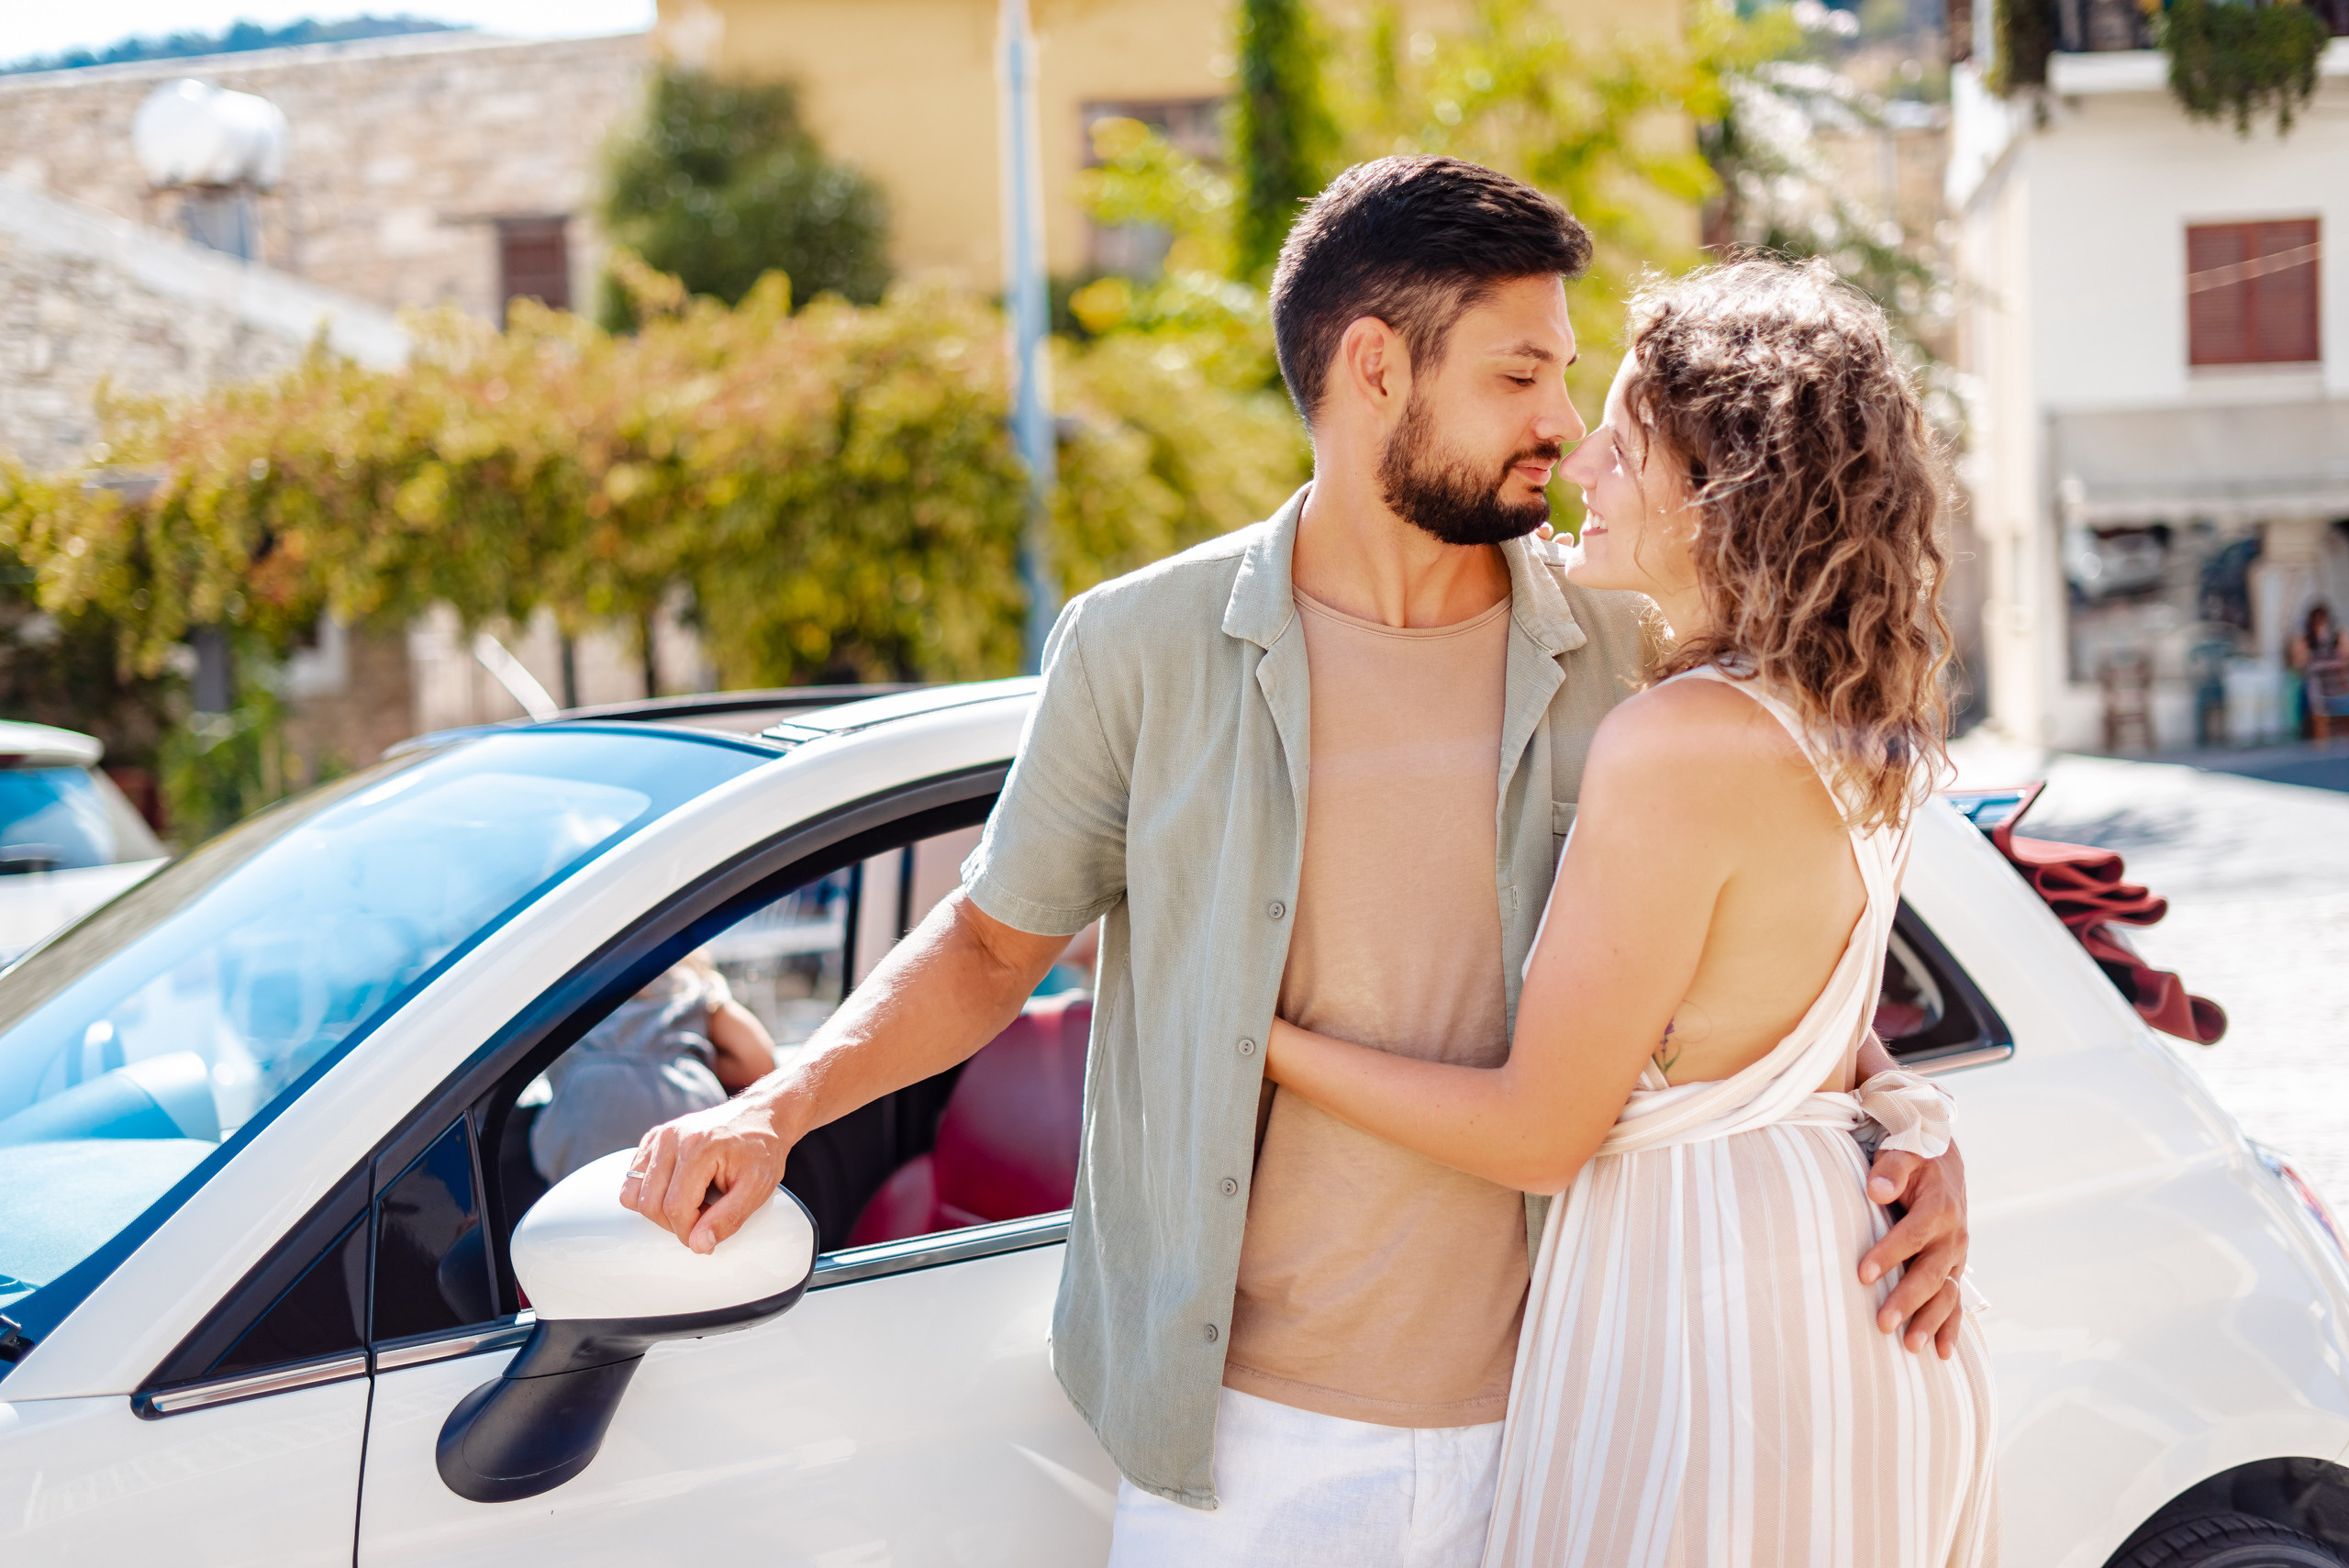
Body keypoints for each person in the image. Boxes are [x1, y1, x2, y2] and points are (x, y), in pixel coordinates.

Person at [620, 158, 1973, 1567]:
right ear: (1376, 366)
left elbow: (1763, 958)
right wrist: (774, 1108)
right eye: (1520, 379)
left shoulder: (1640, 652)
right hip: (1256, 1448)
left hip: (1581, 1405)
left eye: (1570, 379)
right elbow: (984, 945)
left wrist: (1904, 1121)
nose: (1566, 432)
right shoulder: (1141, 648)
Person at [1262, 257, 1998, 1566]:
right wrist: (1910, 1113)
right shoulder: (1843, 716)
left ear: (1729, 486)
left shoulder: (1677, 742)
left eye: (1626, 436)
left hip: (1716, 1352)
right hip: (1835, 1323)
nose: (1582, 462)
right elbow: (1787, 1019)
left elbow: (1539, 1130)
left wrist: (1248, 1031)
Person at [530, 952, 775, 1184]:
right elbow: (758, 1061)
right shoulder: (687, 984)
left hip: (586, 1110)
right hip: (683, 1101)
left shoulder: (560, 989)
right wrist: (695, 1058)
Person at [2289, 602, 2347, 740]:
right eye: (2316, 623)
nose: (2320, 626)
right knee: (2313, 700)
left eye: (2323, 622)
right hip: (2318, 692)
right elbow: (2296, 664)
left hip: (2339, 688)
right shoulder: (2305, 641)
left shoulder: (2338, 638)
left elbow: (2346, 658)